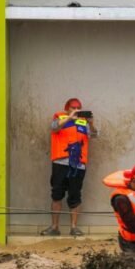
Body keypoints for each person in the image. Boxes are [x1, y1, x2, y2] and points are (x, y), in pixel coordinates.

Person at [41, 98, 98, 236]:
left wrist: (91, 123)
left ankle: (74, 228)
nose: (76, 110)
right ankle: (54, 227)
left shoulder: (83, 121)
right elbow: (54, 128)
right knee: (56, 194)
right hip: (60, 163)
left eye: (78, 107)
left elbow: (94, 135)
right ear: (67, 108)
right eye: (73, 107)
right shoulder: (59, 117)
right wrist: (69, 118)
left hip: (78, 165)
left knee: (75, 195)